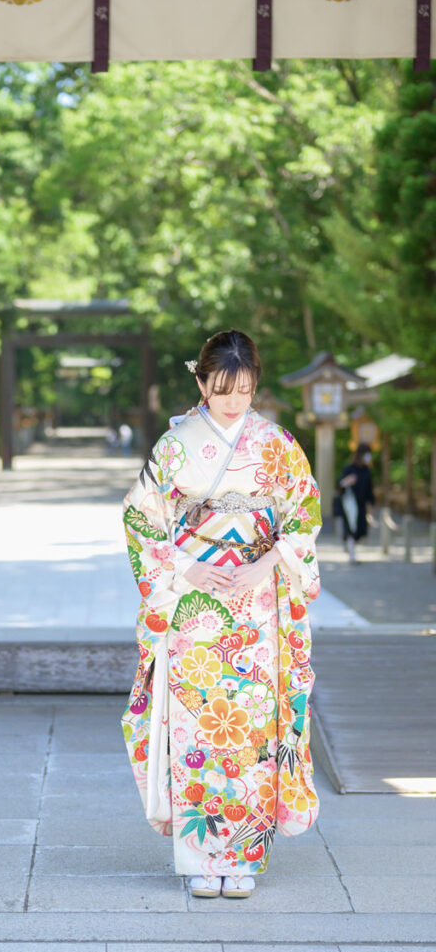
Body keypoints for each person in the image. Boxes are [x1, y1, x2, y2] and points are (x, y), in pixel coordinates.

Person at [121, 330, 322, 899]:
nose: (233, 401)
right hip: (194, 606)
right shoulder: (177, 445)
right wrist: (183, 566)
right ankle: (198, 859)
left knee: (251, 727)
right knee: (198, 724)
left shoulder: (277, 444)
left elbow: (304, 513)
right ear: (201, 382)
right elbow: (141, 518)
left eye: (244, 389)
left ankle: (244, 860)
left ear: (256, 382)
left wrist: (270, 563)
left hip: (257, 604)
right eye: (221, 389)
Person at [335, 443, 375, 564]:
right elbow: (339, 486)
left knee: (359, 529)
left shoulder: (366, 470)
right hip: (349, 505)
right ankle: (352, 553)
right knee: (350, 527)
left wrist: (371, 505)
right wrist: (346, 482)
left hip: (361, 504)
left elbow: (369, 489)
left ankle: (350, 546)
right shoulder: (349, 469)